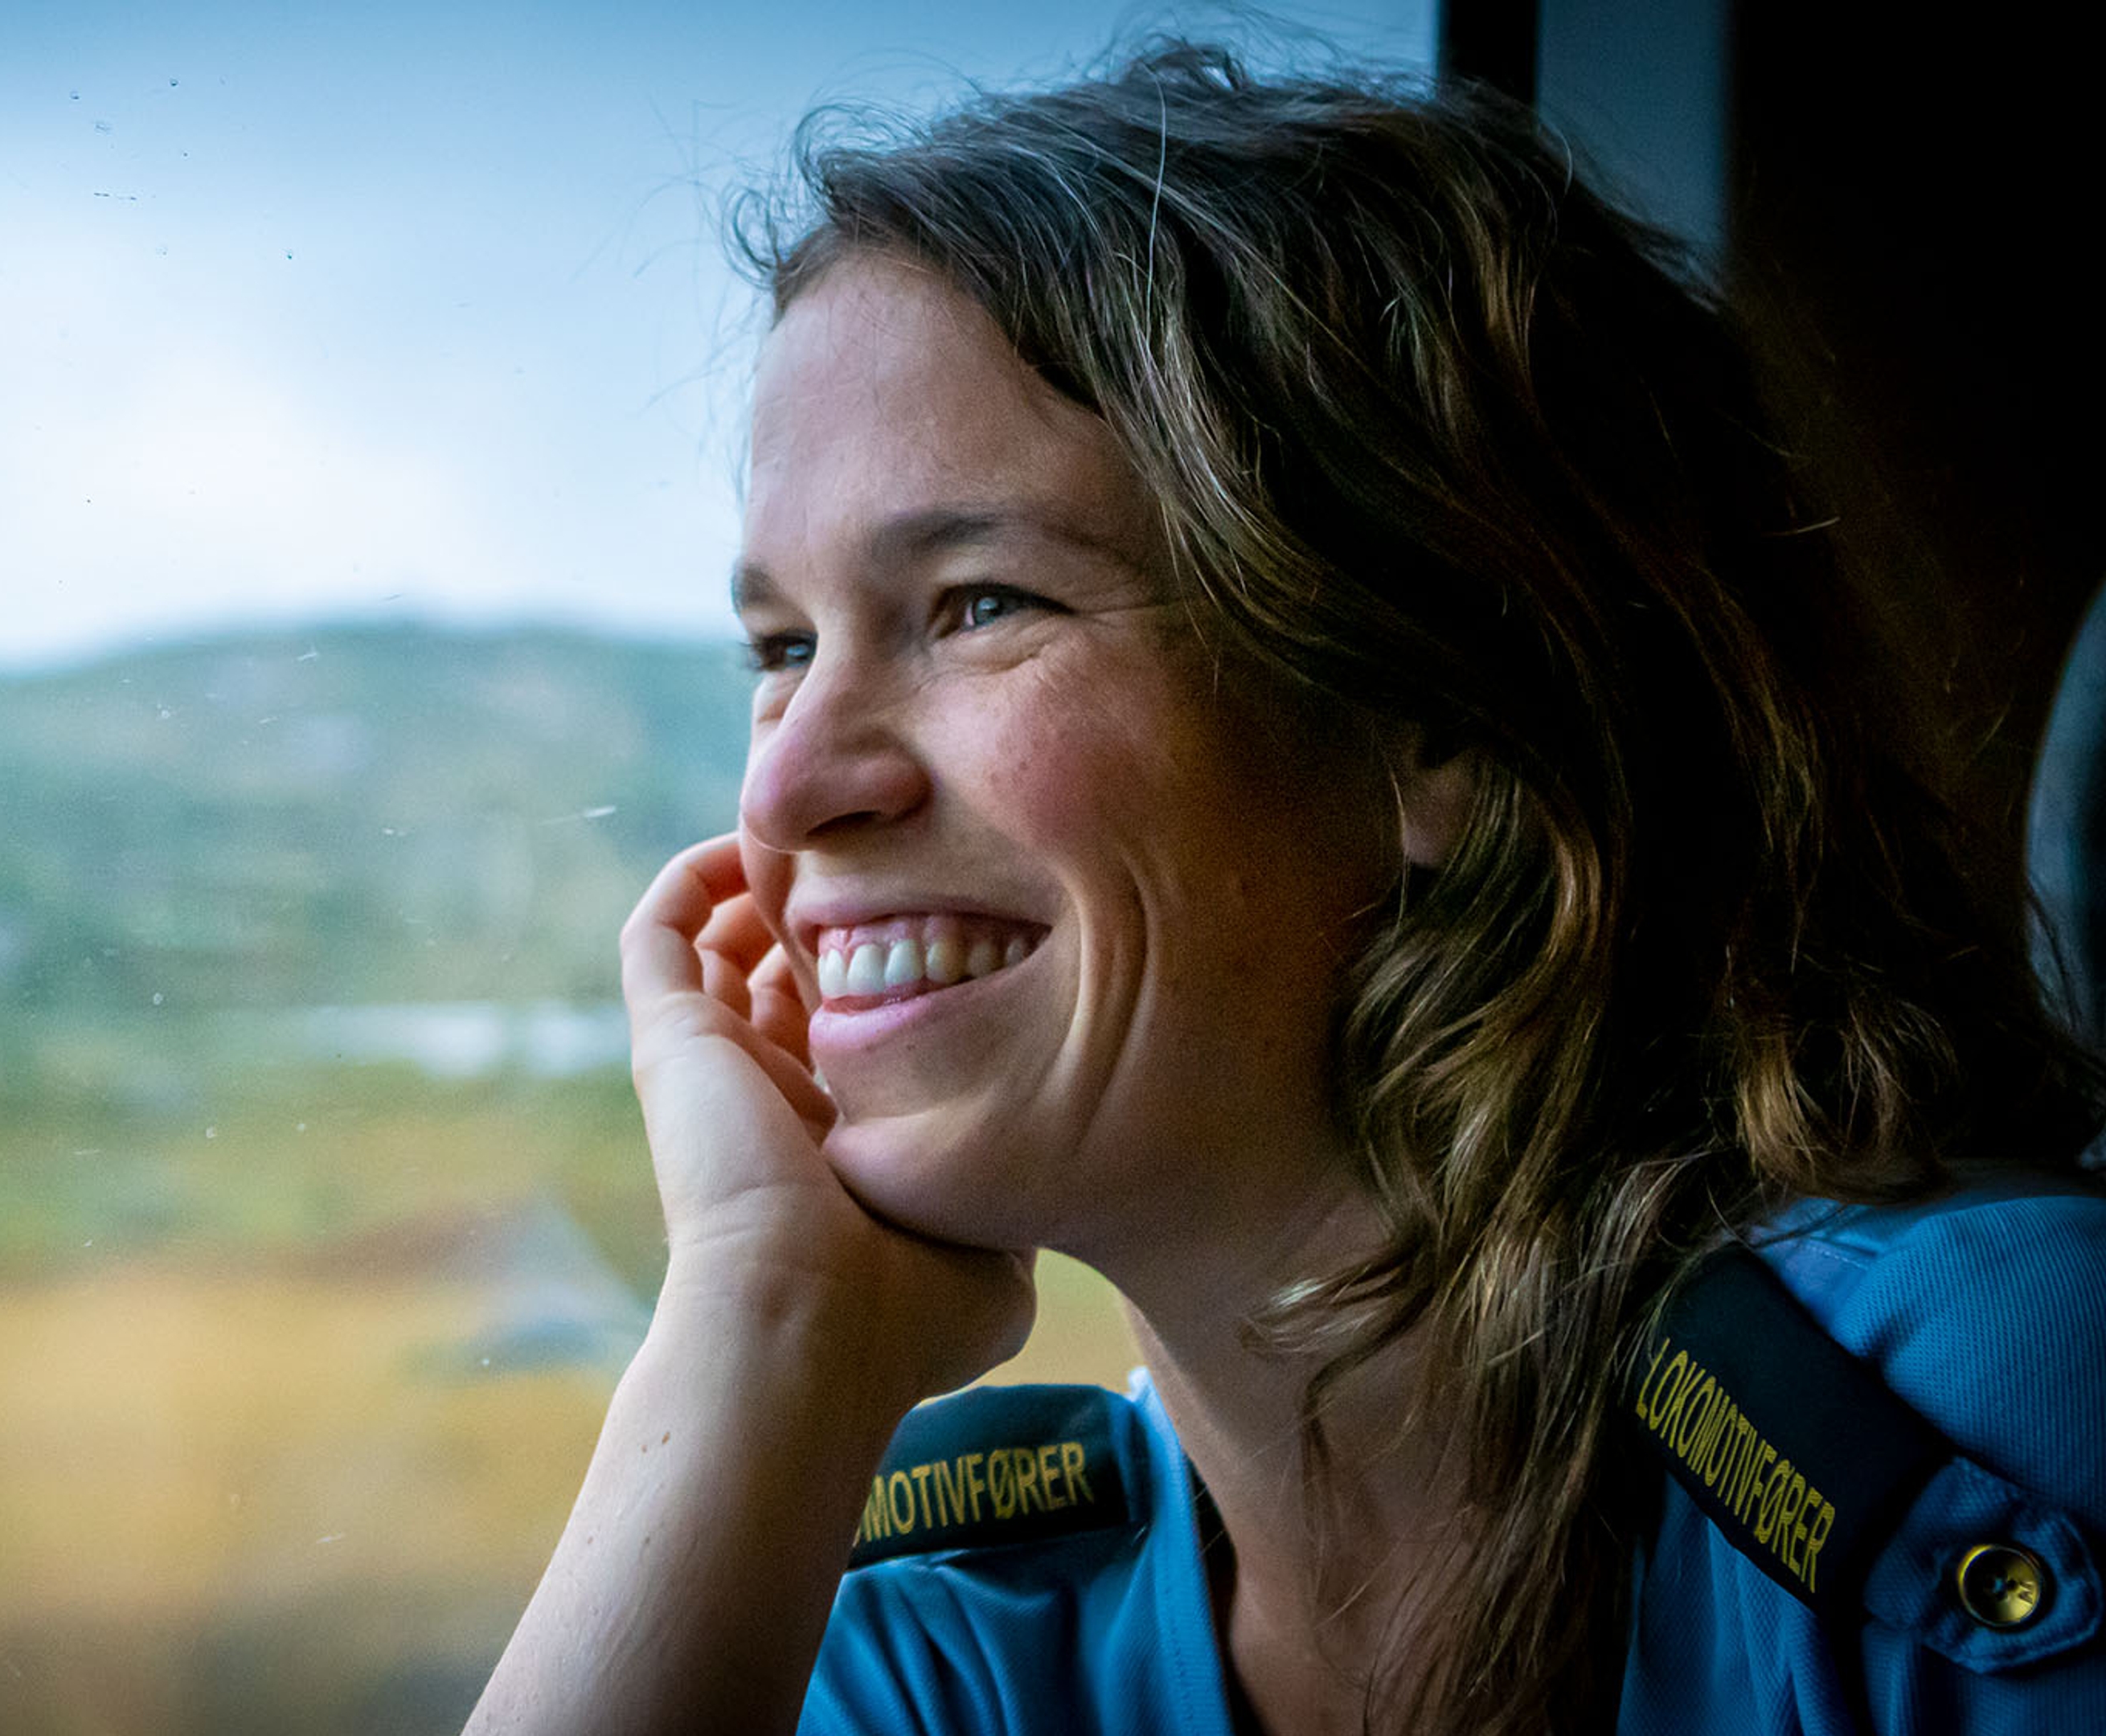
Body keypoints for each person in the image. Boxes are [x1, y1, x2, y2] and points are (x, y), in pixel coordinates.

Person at [462, 44, 2106, 1736]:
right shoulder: (962, 1641)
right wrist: (764, 1316)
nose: (785, 787)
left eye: (978, 605)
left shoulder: (1996, 1421)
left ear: (1447, 716)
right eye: (782, 647)